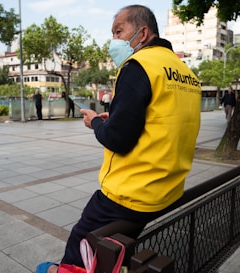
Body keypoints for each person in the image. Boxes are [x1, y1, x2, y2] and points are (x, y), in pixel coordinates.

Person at [36, 5, 201, 273]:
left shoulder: (138, 65)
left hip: (132, 193)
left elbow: (118, 140)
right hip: (169, 189)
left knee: (83, 241)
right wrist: (115, 118)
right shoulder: (185, 72)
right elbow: (161, 120)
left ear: (143, 32)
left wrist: (96, 124)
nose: (114, 41)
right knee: (118, 244)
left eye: (119, 31)